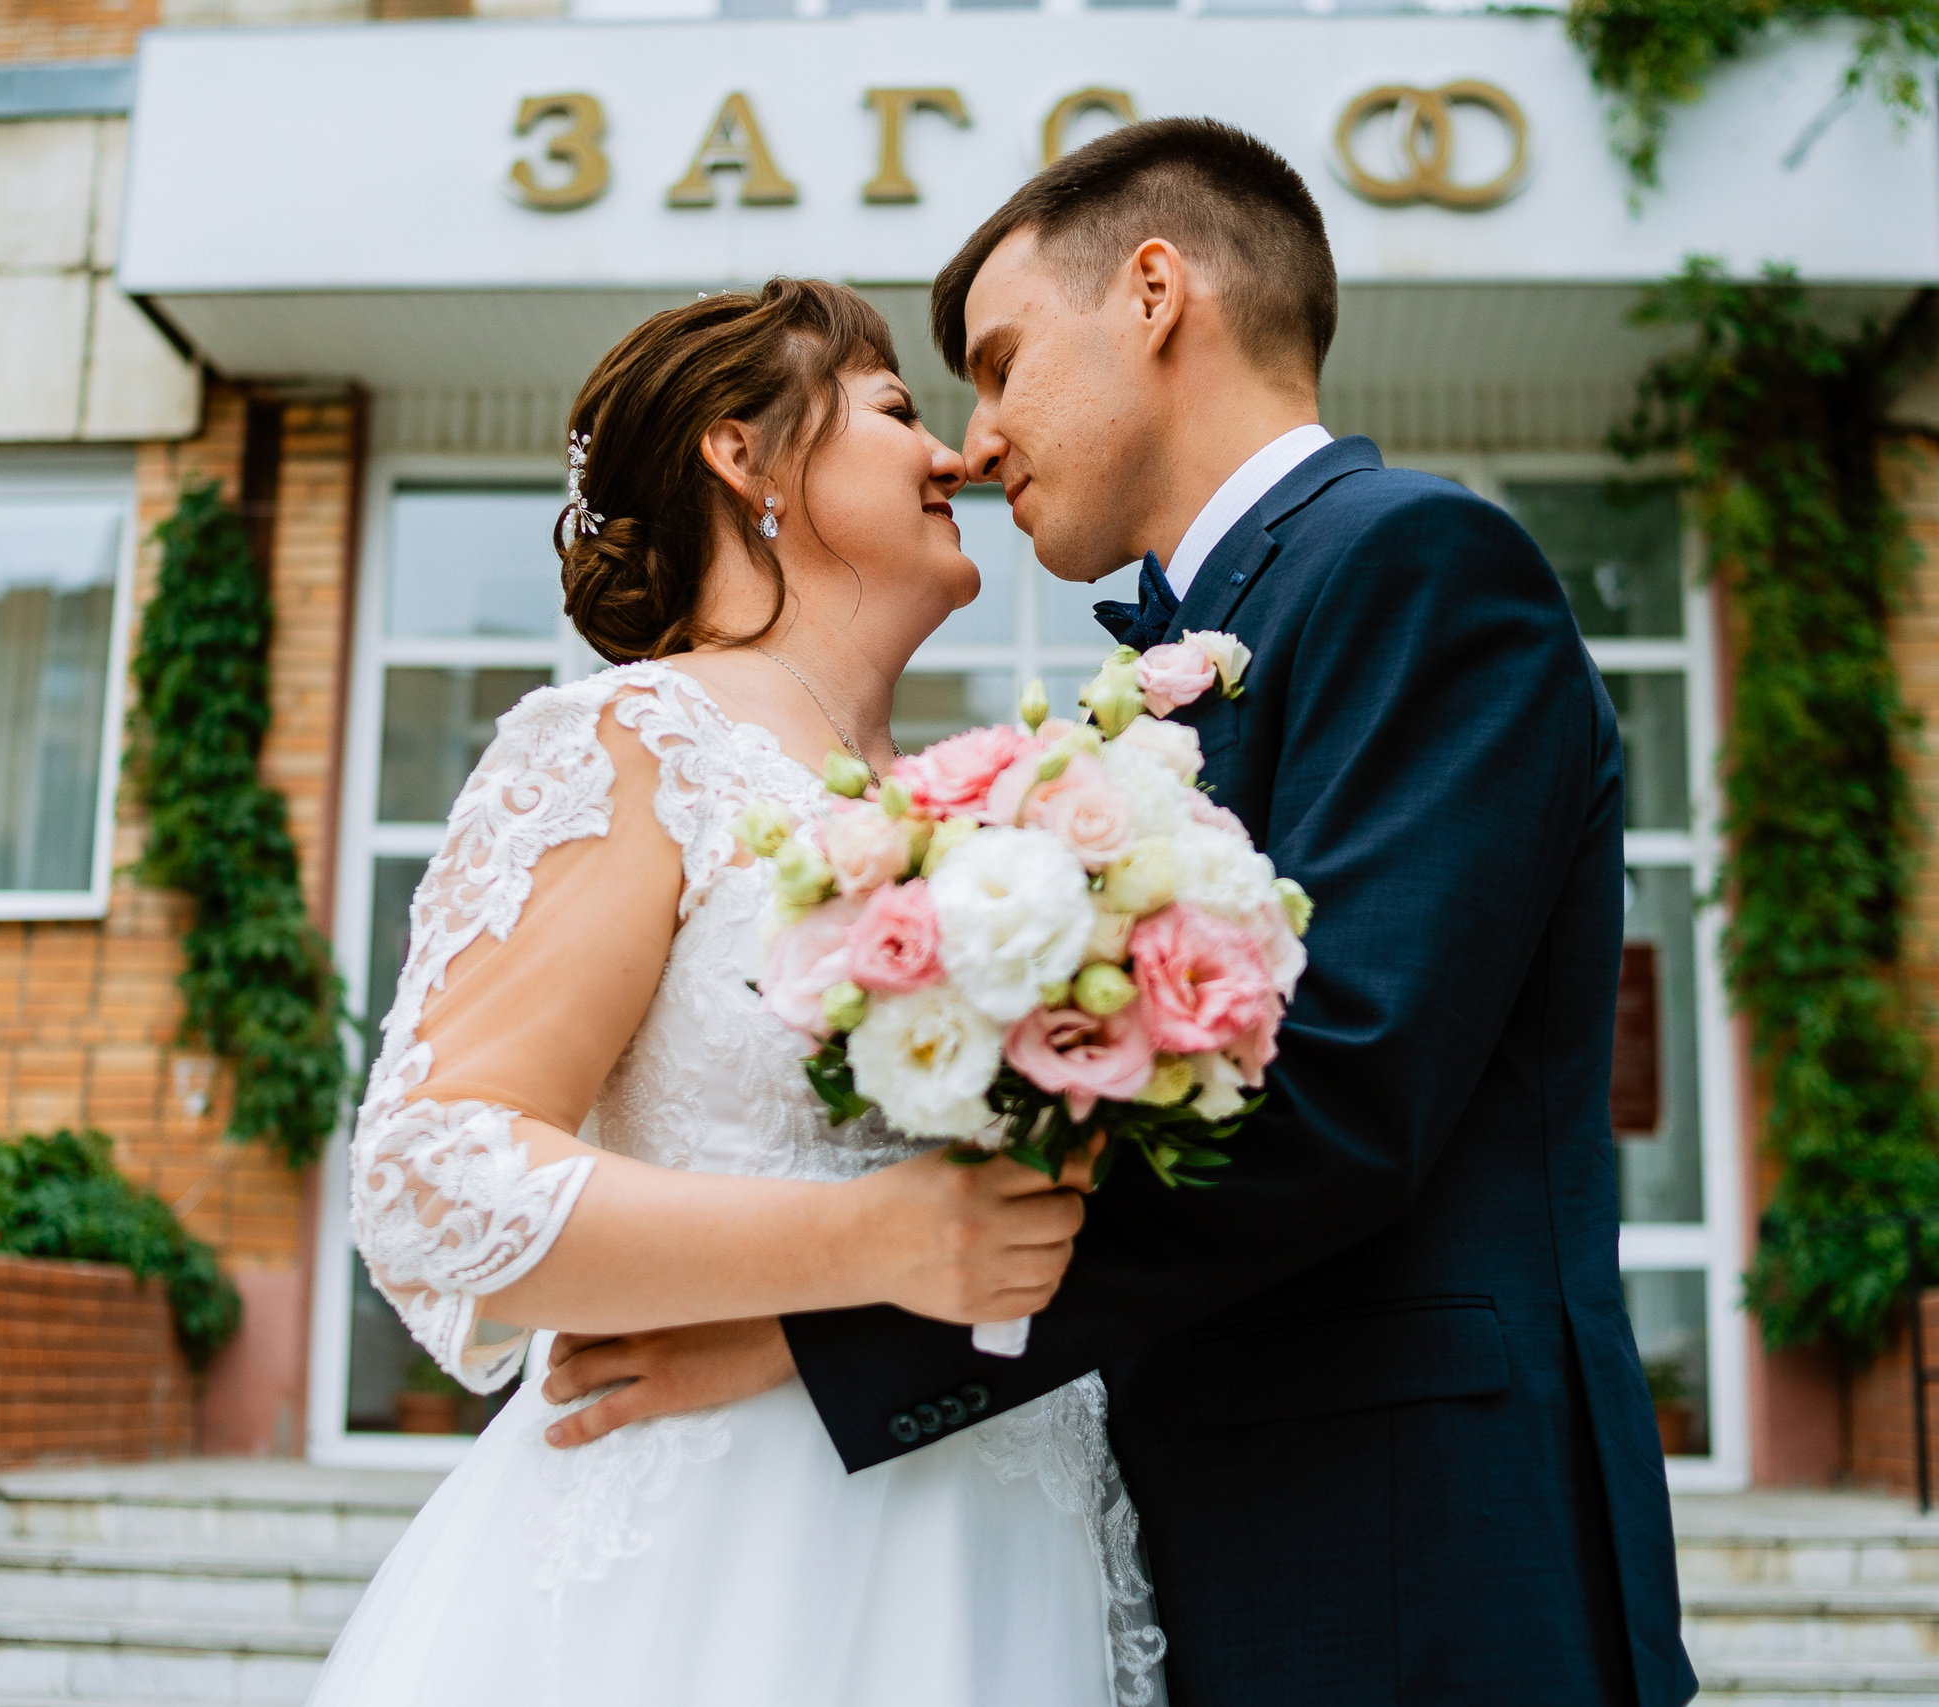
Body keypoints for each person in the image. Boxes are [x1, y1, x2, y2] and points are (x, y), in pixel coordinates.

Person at [540, 120, 1701, 1706]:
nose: (980, 435)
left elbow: (1343, 1090)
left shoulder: (1418, 566)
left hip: (1404, 1558)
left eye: (1003, 363)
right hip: (1179, 1544)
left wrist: (839, 1331)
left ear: (1155, 293)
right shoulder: (1185, 652)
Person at [307, 278, 1164, 1707]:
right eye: (897, 409)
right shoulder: (627, 741)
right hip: (718, 1566)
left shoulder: (987, 814)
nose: (954, 450)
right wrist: (858, 1248)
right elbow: (432, 1171)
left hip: (1001, 1537)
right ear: (743, 454)